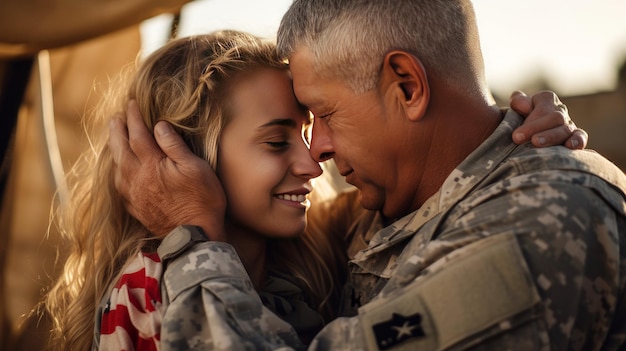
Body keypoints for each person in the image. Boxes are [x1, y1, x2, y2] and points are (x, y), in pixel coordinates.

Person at [110, 0, 626, 350]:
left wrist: (192, 243)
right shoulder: (395, 203)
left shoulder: (539, 222)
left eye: (325, 116)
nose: (321, 153)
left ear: (406, 86)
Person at [45, 30, 363, 351]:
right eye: (277, 143)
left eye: (306, 134)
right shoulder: (147, 296)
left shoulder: (317, 261)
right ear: (186, 156)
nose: (314, 165)